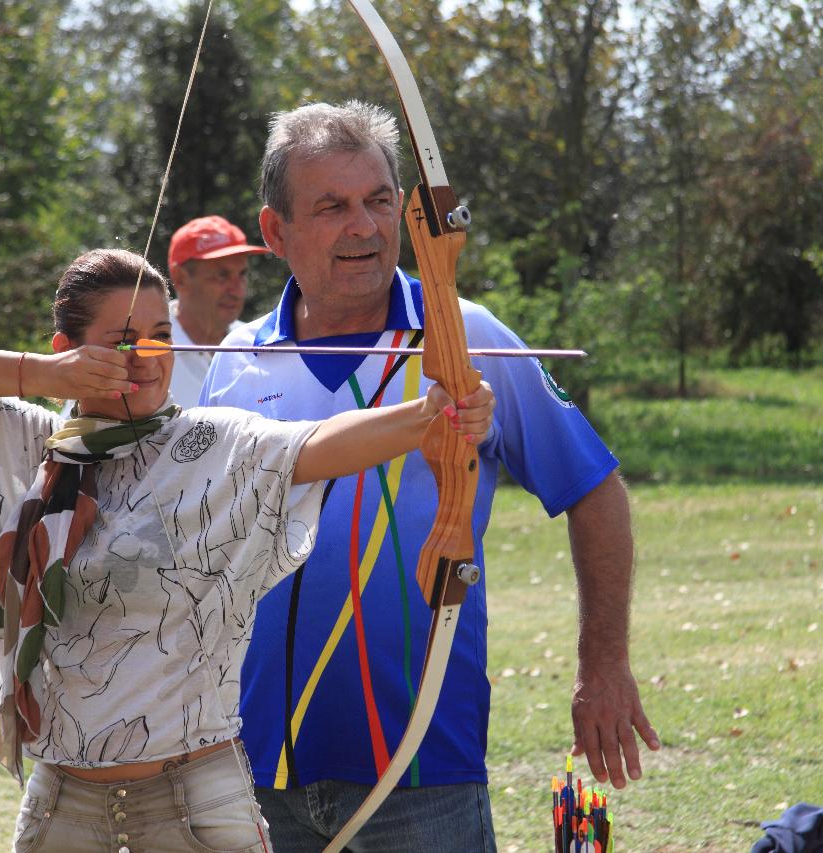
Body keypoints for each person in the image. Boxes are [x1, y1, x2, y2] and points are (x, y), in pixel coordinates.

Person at [0, 247, 494, 853]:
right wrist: (41, 376)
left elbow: (320, 444)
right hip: (61, 803)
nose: (148, 356)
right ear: (70, 350)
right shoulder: (33, 445)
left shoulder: (213, 444)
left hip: (194, 804)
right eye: (124, 340)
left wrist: (431, 412)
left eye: (159, 335)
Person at [199, 101, 660, 852]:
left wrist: (602, 664)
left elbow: (593, 486)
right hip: (249, 775)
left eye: (381, 200)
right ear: (276, 231)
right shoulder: (233, 359)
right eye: (333, 206)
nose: (366, 227)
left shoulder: (464, 335)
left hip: (421, 772)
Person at [166, 215, 271, 406]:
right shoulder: (146, 349)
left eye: (242, 274)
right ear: (180, 278)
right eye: (222, 276)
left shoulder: (259, 344)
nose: (237, 290)